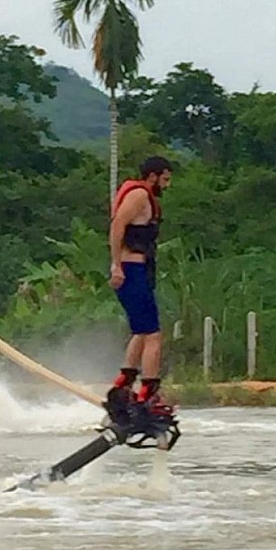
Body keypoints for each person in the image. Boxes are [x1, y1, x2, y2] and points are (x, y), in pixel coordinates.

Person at [107, 156, 173, 413]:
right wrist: (116, 265)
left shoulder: (145, 197)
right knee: (154, 334)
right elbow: (117, 226)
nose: (166, 186)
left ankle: (123, 384)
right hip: (130, 270)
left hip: (138, 271)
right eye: (165, 179)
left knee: (142, 332)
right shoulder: (138, 195)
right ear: (153, 176)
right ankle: (149, 392)